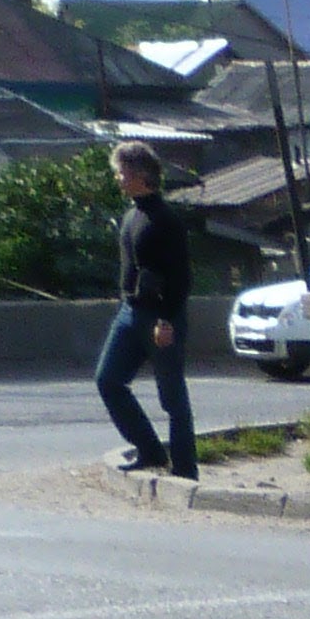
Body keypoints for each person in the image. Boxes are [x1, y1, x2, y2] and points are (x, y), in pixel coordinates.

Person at [95, 144, 197, 482]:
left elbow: (181, 278)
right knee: (108, 380)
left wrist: (166, 319)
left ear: (141, 175)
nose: (118, 178)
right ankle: (149, 450)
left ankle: (185, 469)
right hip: (130, 312)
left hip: (160, 316)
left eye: (122, 172)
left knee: (172, 397)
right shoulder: (131, 215)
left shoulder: (165, 220)